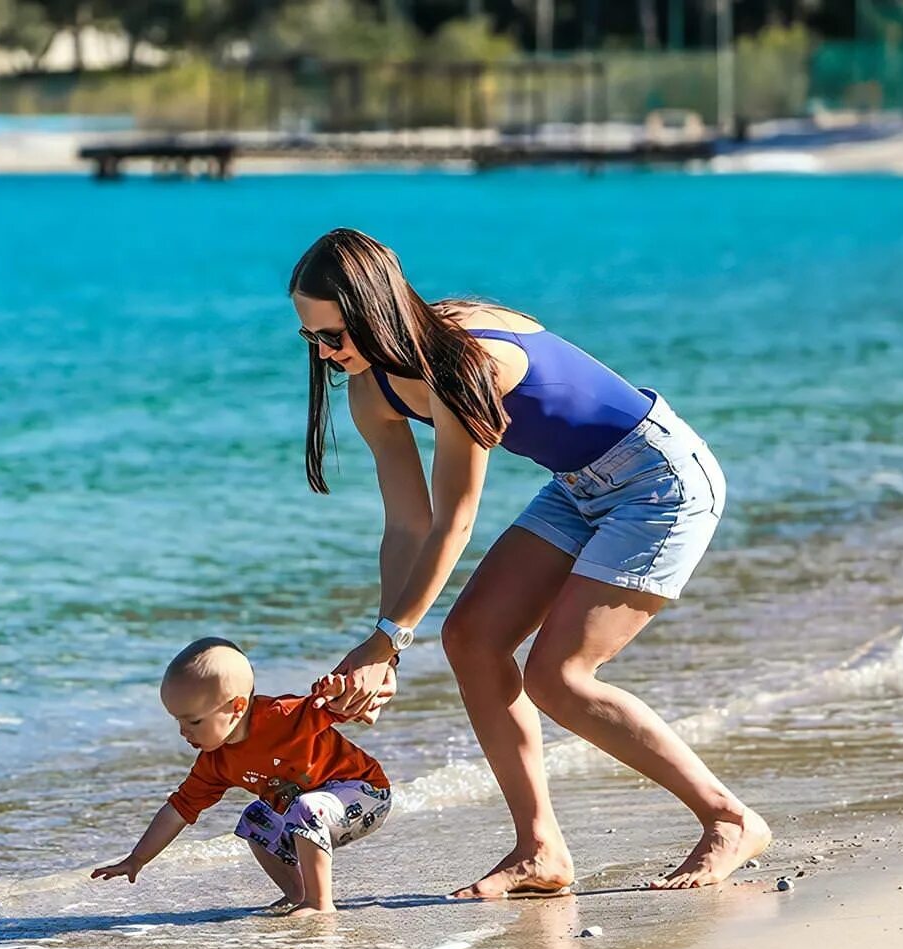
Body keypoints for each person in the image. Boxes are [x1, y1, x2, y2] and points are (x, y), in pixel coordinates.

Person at [292, 228, 770, 897]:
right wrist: (385, 646)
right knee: (471, 639)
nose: (326, 353)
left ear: (377, 310)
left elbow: (455, 519)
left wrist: (389, 639)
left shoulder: (464, 360)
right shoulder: (372, 391)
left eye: (335, 334)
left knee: (560, 677)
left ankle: (729, 818)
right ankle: (541, 850)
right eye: (311, 338)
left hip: (659, 480)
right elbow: (408, 523)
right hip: (577, 485)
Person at [91, 637, 394, 917]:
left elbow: (341, 708)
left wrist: (336, 692)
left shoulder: (284, 717)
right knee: (254, 821)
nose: (183, 731)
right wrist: (137, 859)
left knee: (306, 808)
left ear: (237, 707)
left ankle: (318, 903)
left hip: (365, 793)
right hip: (312, 812)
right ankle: (297, 893)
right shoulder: (215, 762)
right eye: (178, 721)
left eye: (194, 721)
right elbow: (178, 810)